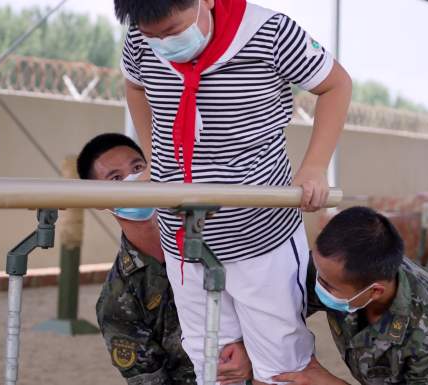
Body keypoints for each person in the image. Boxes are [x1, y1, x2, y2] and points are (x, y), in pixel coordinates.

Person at [113, 0, 352, 382]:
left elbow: (336, 84)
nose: (162, 43)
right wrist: (154, 156)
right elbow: (134, 84)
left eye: (173, 31)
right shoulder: (141, 40)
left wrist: (314, 165)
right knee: (214, 364)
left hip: (260, 235)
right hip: (183, 240)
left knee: (281, 367)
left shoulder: (269, 33)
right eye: (152, 35)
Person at [77, 133, 251, 385]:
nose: (135, 181)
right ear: (98, 200)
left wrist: (254, 351)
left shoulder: (221, 238)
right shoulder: (119, 300)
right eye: (116, 178)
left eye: (138, 168)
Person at [274, 207, 428, 385]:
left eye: (328, 285)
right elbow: (275, 304)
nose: (316, 285)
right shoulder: (336, 269)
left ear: (375, 291)